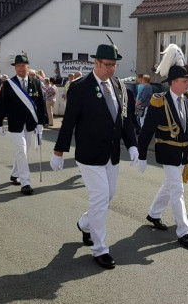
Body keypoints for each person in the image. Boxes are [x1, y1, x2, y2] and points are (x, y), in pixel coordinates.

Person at [50, 43, 138, 270]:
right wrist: (59, 152)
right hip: (89, 154)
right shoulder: (81, 87)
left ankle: (84, 224)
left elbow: (125, 119)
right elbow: (68, 122)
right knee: (99, 197)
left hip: (112, 153)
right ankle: (100, 249)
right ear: (96, 63)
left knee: (108, 196)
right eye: (108, 65)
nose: (112, 69)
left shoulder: (118, 86)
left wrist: (133, 145)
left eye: (114, 65)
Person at [137, 44, 188, 249]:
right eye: (185, 81)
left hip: (183, 152)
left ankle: (154, 214)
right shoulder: (159, 101)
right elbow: (147, 130)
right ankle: (183, 232)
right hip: (167, 151)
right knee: (178, 189)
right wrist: (142, 155)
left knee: (170, 185)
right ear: (173, 83)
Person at [0, 55, 46, 195]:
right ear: (15, 68)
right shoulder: (8, 84)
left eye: (23, 65)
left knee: (23, 151)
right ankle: (26, 182)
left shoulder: (36, 82)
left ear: (28, 67)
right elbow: (2, 105)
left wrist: (41, 123)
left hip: (31, 123)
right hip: (15, 123)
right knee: (22, 150)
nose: (21, 68)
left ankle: (14, 174)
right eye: (18, 65)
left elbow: (40, 105)